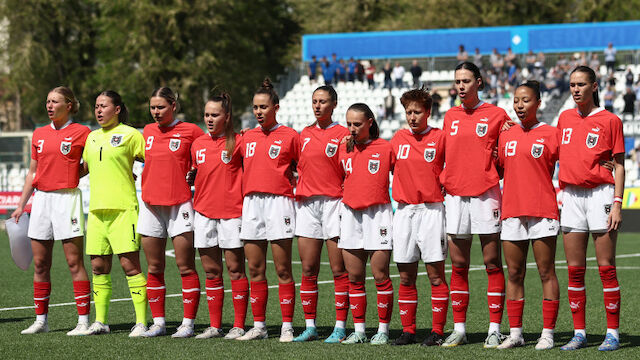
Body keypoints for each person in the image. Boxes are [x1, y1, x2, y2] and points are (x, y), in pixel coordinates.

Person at [440, 62, 511, 348]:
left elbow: (510, 151)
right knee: (459, 265)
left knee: (493, 263)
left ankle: (495, 329)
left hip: (485, 195)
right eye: (457, 81)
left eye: (466, 81)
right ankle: (459, 329)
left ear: (478, 83)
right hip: (455, 196)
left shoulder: (496, 114)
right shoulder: (450, 116)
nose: (460, 86)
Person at [12, 87, 91, 336]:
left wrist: (71, 176)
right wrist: (21, 204)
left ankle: (83, 321)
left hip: (67, 199)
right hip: (42, 200)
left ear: (68, 105)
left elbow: (90, 164)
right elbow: (32, 172)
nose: (49, 105)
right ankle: (41, 321)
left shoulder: (82, 132)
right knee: (40, 263)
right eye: (47, 101)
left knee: (73, 261)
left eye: (54, 101)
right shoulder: (39, 134)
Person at [557, 66, 624, 351]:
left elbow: (619, 164)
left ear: (594, 86)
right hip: (571, 195)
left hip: (601, 195)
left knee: (606, 268)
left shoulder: (610, 120)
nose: (575, 89)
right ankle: (579, 333)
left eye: (581, 84)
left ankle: (613, 333)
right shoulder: (564, 118)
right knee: (575, 270)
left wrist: (617, 204)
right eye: (572, 84)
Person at [496, 81, 560, 350]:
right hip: (512, 210)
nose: (520, 106)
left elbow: (572, 163)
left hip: (542, 210)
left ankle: (547, 333)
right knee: (514, 273)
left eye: (526, 100)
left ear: (538, 103)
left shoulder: (552, 134)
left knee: (546, 272)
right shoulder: (505, 135)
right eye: (516, 101)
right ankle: (516, 333)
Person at [236, 78, 300, 342]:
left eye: (263, 107)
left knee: (283, 268)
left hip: (279, 203)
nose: (259, 112)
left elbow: (304, 166)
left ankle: (287, 326)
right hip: (252, 204)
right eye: (255, 107)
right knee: (255, 268)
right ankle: (259, 326)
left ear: (276, 107)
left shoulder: (290, 136)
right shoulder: (247, 137)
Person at [139, 87, 205, 338]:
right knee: (154, 266)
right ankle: (159, 323)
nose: (156, 112)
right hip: (151, 206)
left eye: (161, 107)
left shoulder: (191, 131)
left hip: (180, 205)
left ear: (174, 105)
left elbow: (207, 152)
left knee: (185, 266)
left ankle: (187, 324)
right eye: (153, 108)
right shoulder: (147, 131)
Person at [81, 90, 148, 336]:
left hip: (123, 209)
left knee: (130, 266)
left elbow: (151, 161)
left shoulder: (131, 135)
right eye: (96, 106)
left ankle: (141, 322)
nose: (98, 110)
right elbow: (85, 168)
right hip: (97, 212)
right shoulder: (91, 137)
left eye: (104, 106)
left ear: (117, 109)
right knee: (98, 266)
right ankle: (100, 322)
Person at [389, 87, 449, 346]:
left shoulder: (440, 137)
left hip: (432, 211)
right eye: (408, 112)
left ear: (428, 112)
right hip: (403, 211)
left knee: (435, 275)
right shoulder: (398, 138)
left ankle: (437, 331)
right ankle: (409, 330)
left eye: (417, 112)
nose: (412, 117)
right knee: (405, 276)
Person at [292, 85, 350, 343]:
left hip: (333, 204)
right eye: (315, 101)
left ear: (334, 104)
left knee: (338, 269)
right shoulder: (302, 134)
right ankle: (310, 326)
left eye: (323, 101)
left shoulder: (343, 134)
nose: (318, 106)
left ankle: (339, 327)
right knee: (308, 268)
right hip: (306, 205)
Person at [189, 92, 248, 340]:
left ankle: (238, 325)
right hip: (203, 212)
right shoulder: (198, 144)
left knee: (235, 270)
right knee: (211, 271)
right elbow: (194, 173)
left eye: (215, 115)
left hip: (233, 213)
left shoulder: (239, 142)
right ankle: (215, 326)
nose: (210, 119)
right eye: (206, 115)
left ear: (227, 117)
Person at [338, 103, 394, 345]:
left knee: (380, 274)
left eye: (357, 124)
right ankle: (359, 331)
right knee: (354, 276)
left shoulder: (386, 147)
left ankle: (383, 330)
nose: (351, 129)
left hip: (378, 214)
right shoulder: (344, 147)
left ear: (370, 122)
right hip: (350, 214)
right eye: (349, 123)